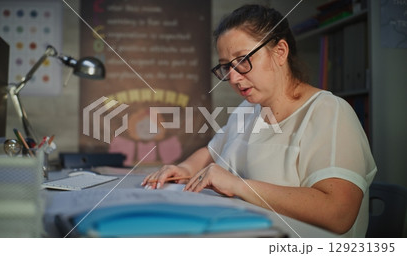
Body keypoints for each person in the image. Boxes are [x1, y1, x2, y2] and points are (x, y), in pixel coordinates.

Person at [141, 4, 376, 237]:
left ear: (280, 52)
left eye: (243, 60)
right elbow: (212, 153)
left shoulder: (330, 112)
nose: (232, 77)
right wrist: (183, 169)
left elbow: (339, 213)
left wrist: (239, 185)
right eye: (225, 67)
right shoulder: (249, 109)